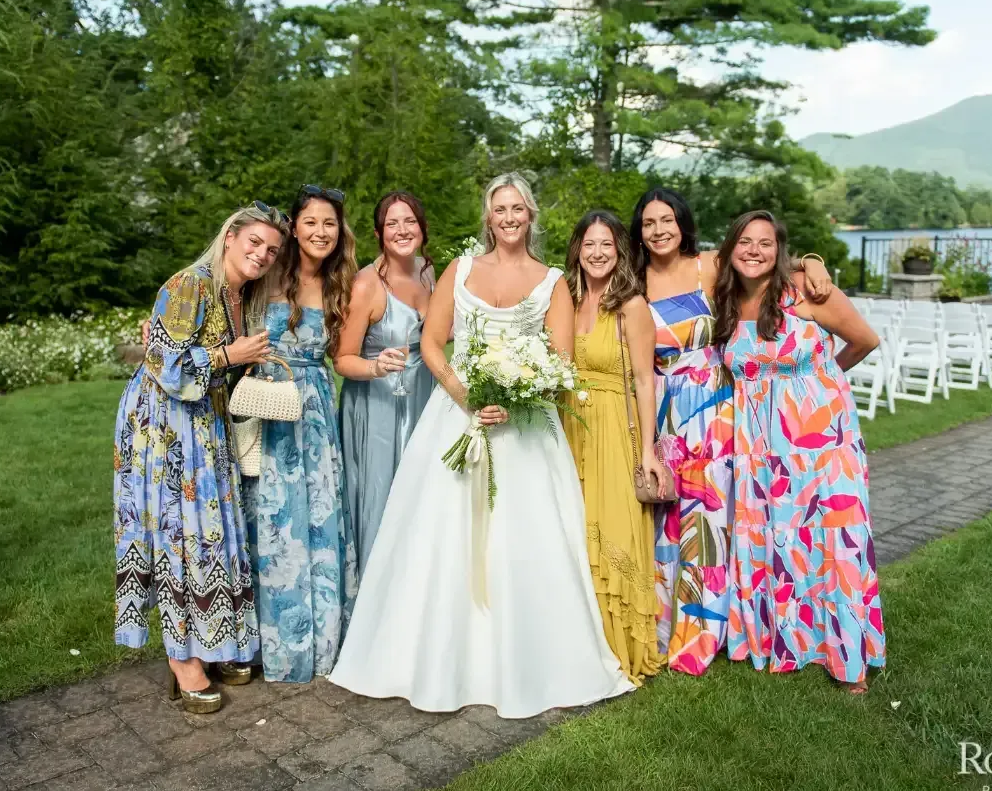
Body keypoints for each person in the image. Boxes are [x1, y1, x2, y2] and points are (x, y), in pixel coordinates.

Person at [329, 173, 634, 718]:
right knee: (441, 537)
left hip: (525, 428)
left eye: (518, 208)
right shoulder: (459, 269)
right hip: (457, 414)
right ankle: (439, 658)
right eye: (500, 208)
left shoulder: (553, 281)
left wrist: (516, 396)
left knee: (524, 539)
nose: (510, 217)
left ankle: (525, 660)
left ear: (531, 215)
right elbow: (432, 341)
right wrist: (465, 395)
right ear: (488, 216)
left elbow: (560, 363)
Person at [631, 188, 832, 676]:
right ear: (639, 232)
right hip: (670, 412)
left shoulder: (708, 266)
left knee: (722, 519)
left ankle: (718, 629)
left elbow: (764, 261)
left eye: (667, 220)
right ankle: (672, 624)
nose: (659, 230)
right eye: (649, 223)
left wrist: (811, 259)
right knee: (673, 520)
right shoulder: (632, 281)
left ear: (682, 223)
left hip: (723, 409)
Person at [114, 203, 288, 713]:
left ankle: (209, 643)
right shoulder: (190, 284)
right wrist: (228, 357)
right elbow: (165, 364)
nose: (261, 254)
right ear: (230, 236)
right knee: (176, 534)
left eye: (271, 250)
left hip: (205, 423)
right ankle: (181, 660)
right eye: (254, 242)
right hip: (162, 426)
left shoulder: (239, 295)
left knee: (207, 534)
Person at [712, 210, 884, 692]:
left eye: (765, 243)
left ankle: (849, 660)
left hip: (820, 444)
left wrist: (820, 382)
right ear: (730, 248)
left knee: (833, 539)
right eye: (744, 241)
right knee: (776, 539)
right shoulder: (725, 299)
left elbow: (864, 340)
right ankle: (785, 641)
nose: (753, 251)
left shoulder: (806, 291)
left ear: (779, 250)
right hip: (759, 448)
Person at [243, 184, 358, 683]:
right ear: (294, 225)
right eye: (310, 221)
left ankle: (320, 640)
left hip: (312, 414)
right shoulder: (264, 272)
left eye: (329, 223)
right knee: (269, 518)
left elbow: (347, 350)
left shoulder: (340, 284)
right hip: (265, 406)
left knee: (314, 515)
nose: (320, 231)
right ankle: (262, 644)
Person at [560, 210, 667, 685]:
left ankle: (618, 646)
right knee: (571, 533)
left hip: (611, 430)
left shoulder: (631, 305)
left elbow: (645, 381)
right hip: (566, 425)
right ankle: (573, 644)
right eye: (589, 244)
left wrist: (648, 450)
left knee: (611, 532)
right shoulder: (565, 298)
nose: (598, 253)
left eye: (607, 244)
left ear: (619, 250)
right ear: (577, 250)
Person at [335, 192, 437, 572]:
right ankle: (373, 594)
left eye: (409, 221)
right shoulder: (365, 285)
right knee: (383, 497)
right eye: (392, 223)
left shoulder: (427, 271)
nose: (402, 230)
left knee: (421, 497)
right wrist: (376, 367)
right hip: (377, 406)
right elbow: (342, 358)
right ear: (379, 234)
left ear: (422, 229)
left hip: (423, 397)